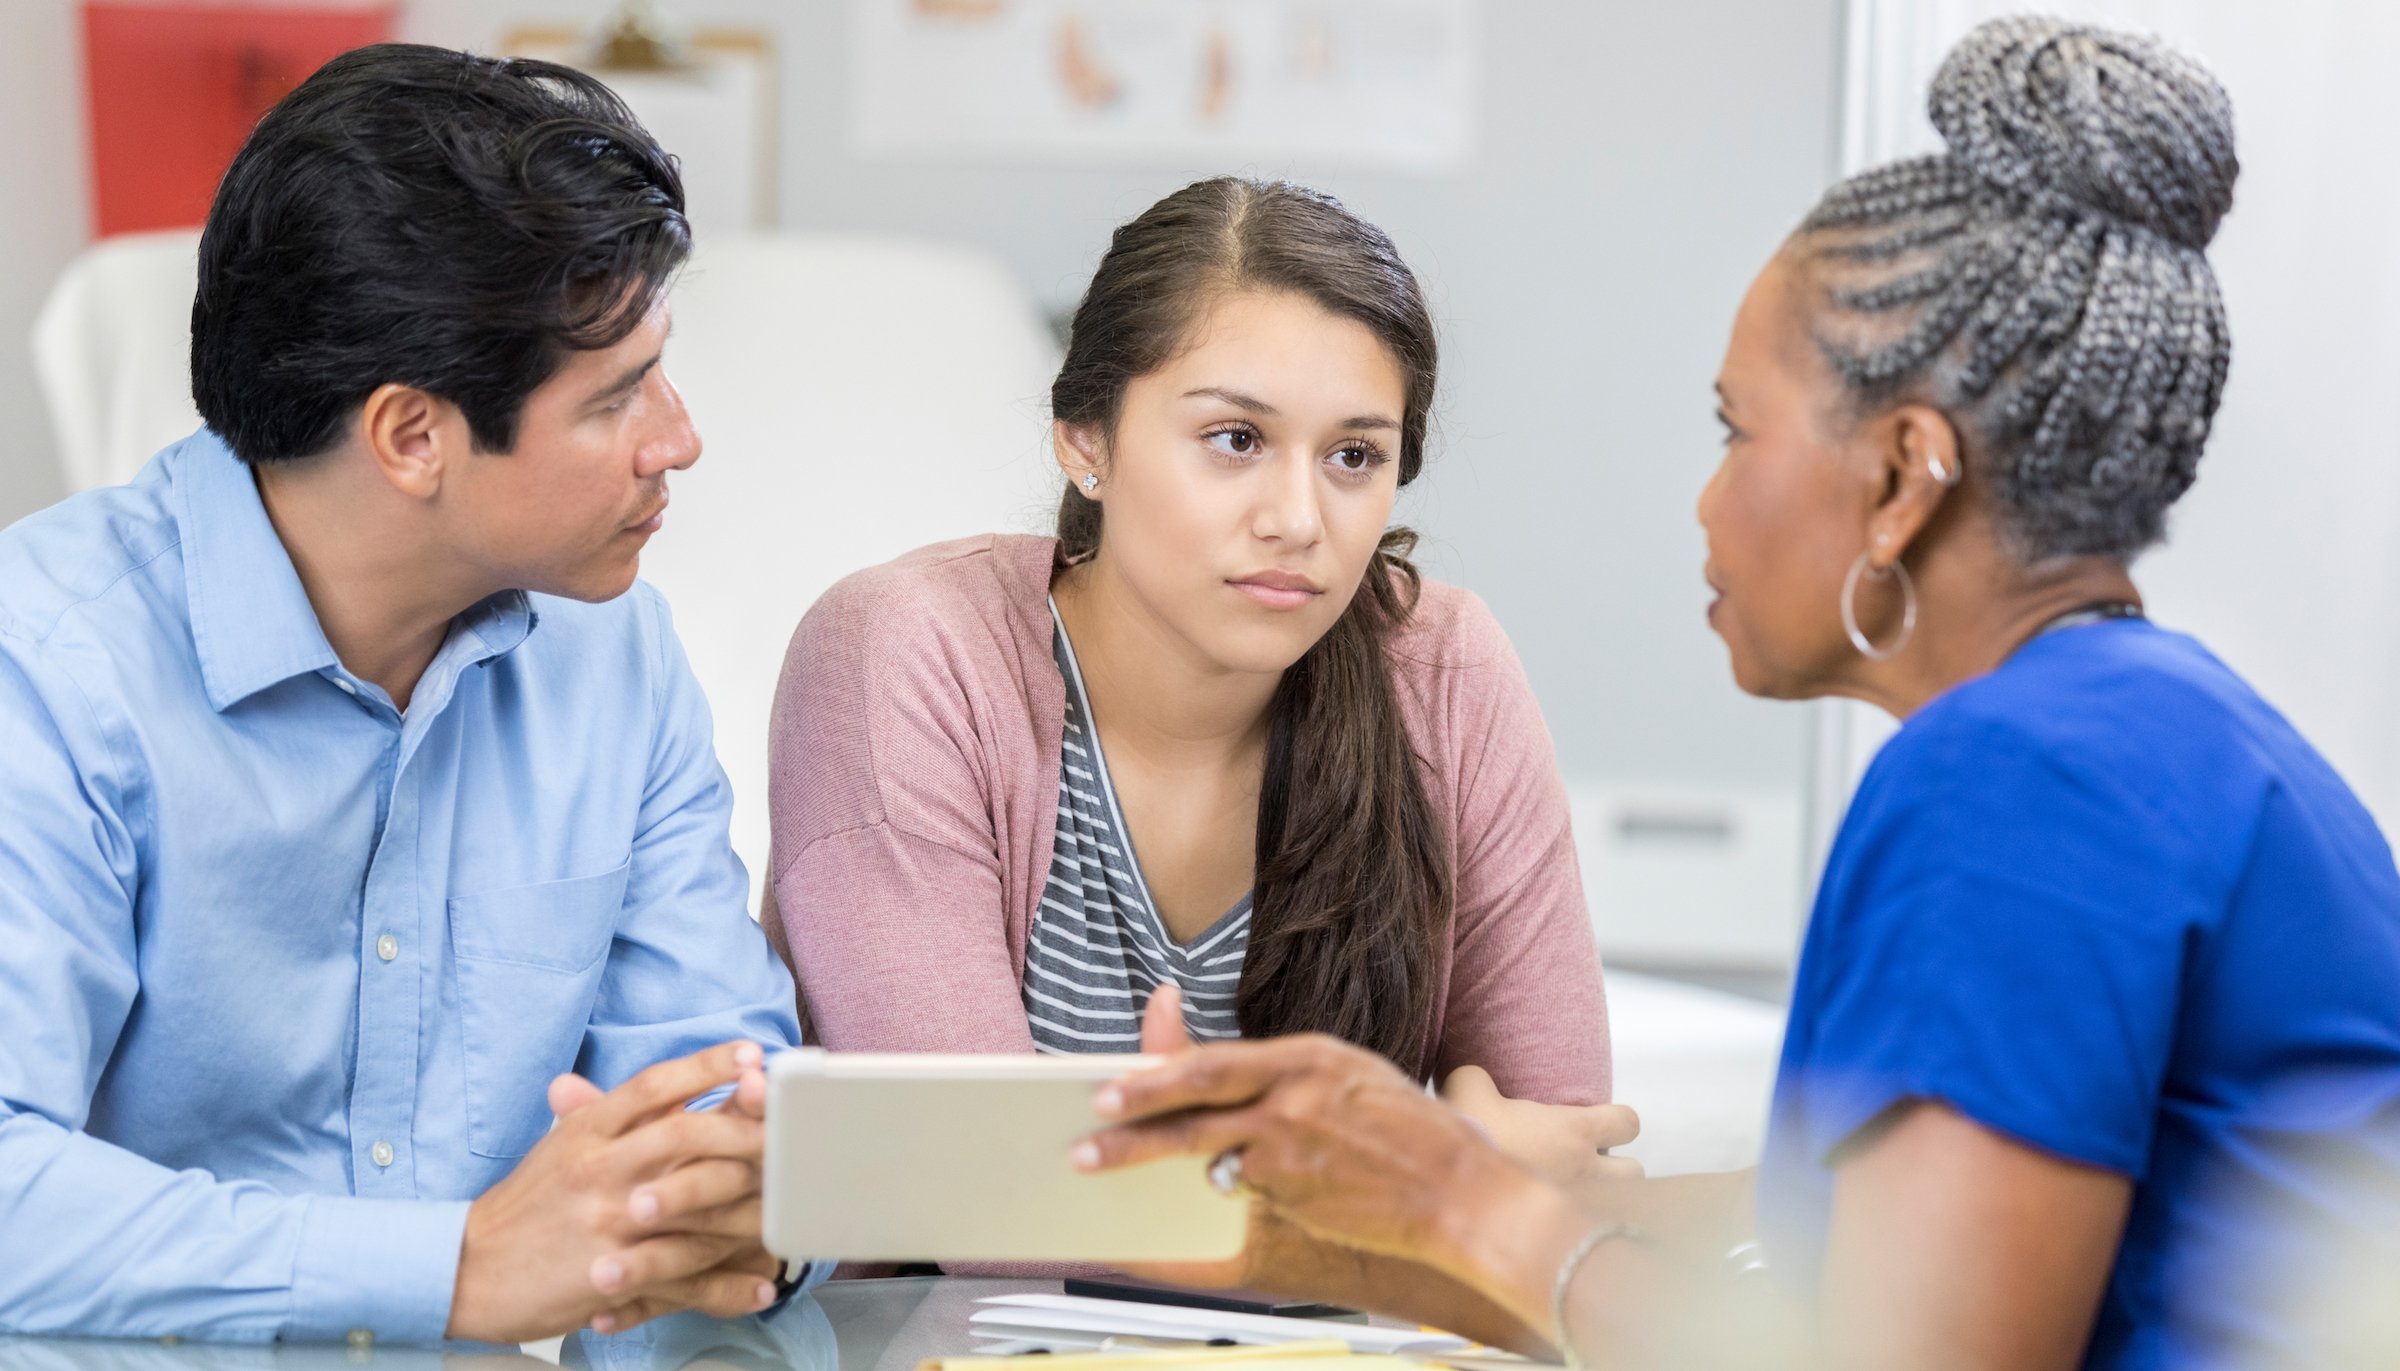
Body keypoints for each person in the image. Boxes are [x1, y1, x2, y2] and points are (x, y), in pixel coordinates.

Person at [1073, 19, 2400, 1370]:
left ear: (1901, 479)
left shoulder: (2019, 774)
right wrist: (1378, 1196)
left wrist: (1461, 1203)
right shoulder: (2155, 730)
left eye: (1735, 428)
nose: (1707, 496)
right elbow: (1875, 1249)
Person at [0, 46, 820, 1345]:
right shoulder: (45, 664)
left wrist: (757, 1203)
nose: (680, 437)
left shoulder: (615, 652)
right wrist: (456, 1263)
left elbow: (715, 1094)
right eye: (617, 395)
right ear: (411, 436)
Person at [765, 178, 1629, 1181]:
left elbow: (1570, 1170)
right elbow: (969, 1190)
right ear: (1087, 437)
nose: (1298, 519)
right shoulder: (909, 652)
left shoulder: (1443, 672)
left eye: (1354, 455)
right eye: (1236, 440)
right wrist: (1421, 1170)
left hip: (1328, 1346)